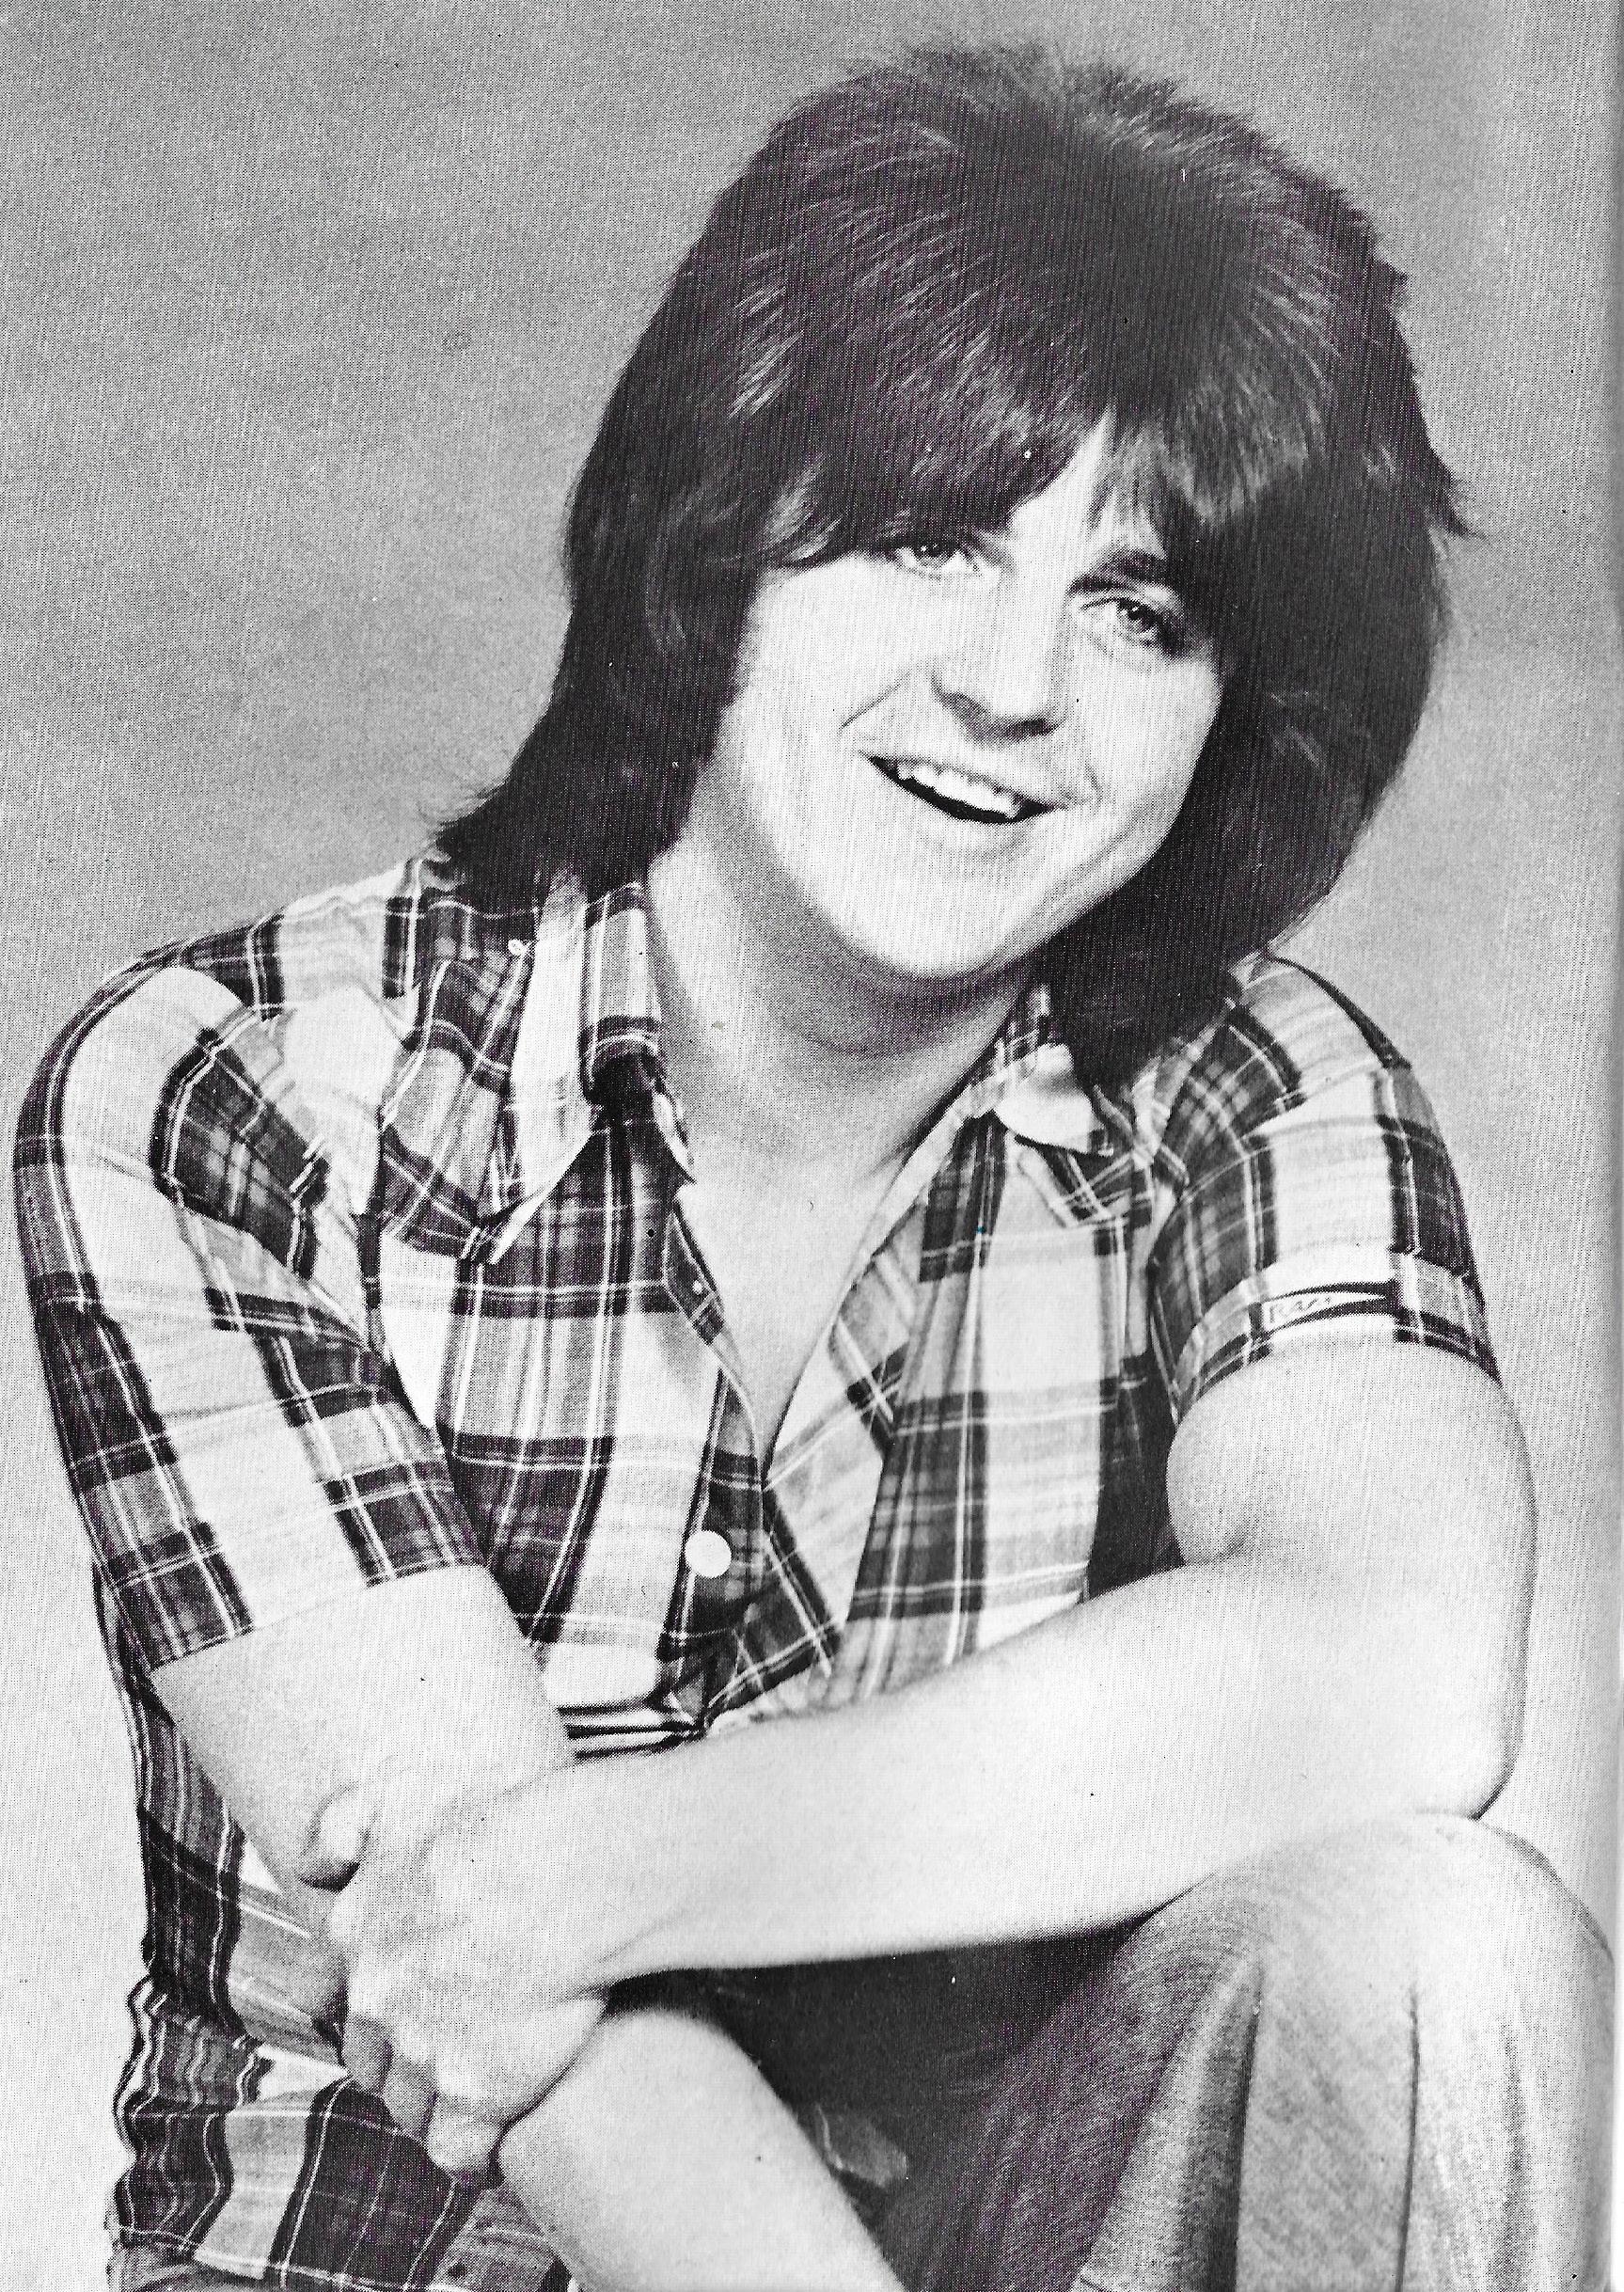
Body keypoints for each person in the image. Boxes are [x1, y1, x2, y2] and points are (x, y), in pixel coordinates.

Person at [14, 43, 1608, 2292]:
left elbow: (1404, 1664)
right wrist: (534, 1918)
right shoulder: (232, 1093)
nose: (1012, 685)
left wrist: (598, 1865)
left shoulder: (1255, 1101)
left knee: (1433, 1944)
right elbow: (526, 2045)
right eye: (933, 534)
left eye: (1141, 610)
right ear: (724, 532)